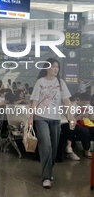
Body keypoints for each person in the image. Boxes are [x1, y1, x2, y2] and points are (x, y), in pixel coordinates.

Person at [28, 58, 75, 189]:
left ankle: (48, 170)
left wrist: (71, 116)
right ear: (47, 68)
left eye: (57, 67)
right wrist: (31, 117)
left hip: (55, 118)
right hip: (41, 117)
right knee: (46, 146)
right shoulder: (40, 82)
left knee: (54, 148)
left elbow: (67, 101)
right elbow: (35, 101)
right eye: (53, 66)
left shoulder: (61, 83)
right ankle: (46, 177)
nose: (56, 69)